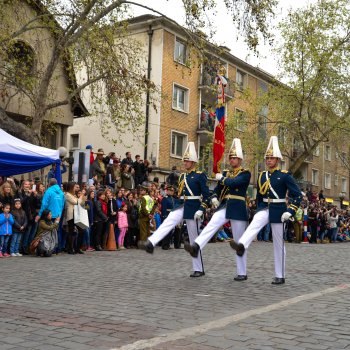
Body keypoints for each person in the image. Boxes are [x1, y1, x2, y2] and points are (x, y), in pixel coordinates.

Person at [230, 136, 302, 285]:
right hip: (265, 207)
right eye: (267, 158)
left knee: (278, 243)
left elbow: (297, 195)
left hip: (279, 209)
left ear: (277, 159)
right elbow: (261, 195)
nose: (268, 160)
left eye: (271, 158)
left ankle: (279, 275)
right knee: (255, 222)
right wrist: (258, 209)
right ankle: (242, 244)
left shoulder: (284, 175)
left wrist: (291, 210)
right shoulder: (262, 175)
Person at [139, 142, 210, 278]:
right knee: (169, 221)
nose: (185, 162)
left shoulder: (200, 175)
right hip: (182, 204)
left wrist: (202, 208)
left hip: (194, 207)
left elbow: (206, 195)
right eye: (184, 160)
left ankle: (198, 268)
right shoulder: (182, 176)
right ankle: (151, 242)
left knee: (194, 238)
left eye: (188, 160)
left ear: (193, 162)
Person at [184, 138, 251, 281]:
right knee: (212, 223)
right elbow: (217, 189)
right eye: (230, 158)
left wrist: (222, 179)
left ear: (240, 160)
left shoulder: (245, 173)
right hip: (225, 205)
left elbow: (234, 183)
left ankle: (242, 272)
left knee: (239, 242)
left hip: (238, 207)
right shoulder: (226, 173)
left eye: (234, 158)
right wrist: (214, 197)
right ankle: (196, 246)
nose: (232, 160)